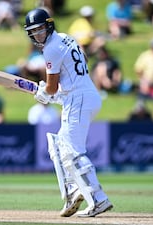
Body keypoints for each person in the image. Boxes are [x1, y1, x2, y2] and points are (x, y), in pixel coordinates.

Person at [24, 8, 113, 217]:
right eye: (33, 31)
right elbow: (81, 63)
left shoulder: (50, 49)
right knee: (60, 146)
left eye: (40, 29)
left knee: (72, 150)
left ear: (49, 25)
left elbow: (52, 88)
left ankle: (98, 199)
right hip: (86, 93)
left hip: (78, 99)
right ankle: (75, 190)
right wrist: (55, 91)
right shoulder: (66, 38)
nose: (38, 35)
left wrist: (44, 94)